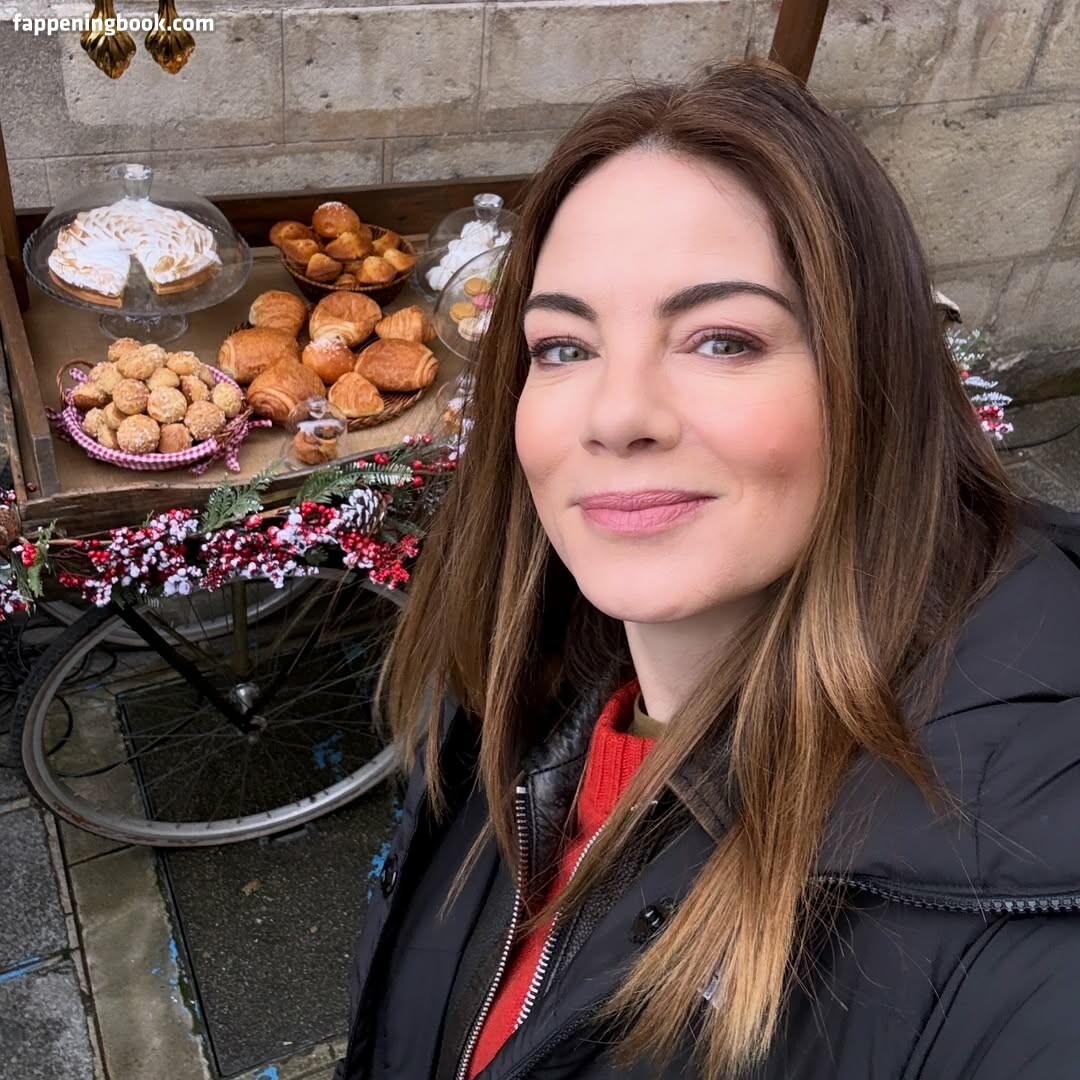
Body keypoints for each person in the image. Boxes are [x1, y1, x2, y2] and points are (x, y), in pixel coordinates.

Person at [333, 60, 1080, 1079]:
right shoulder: (510, 701)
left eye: (722, 340)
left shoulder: (1019, 919)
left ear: (874, 381)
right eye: (564, 348)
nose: (617, 415)